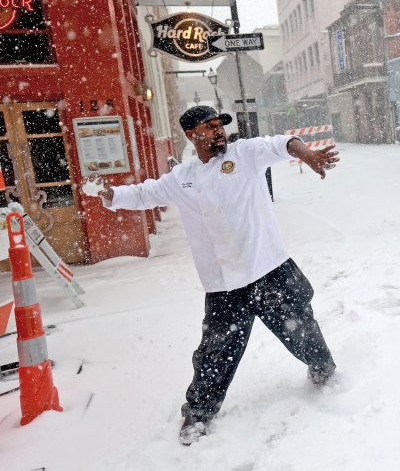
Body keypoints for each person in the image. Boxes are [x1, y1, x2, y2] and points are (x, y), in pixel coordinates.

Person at [84, 105, 339, 446]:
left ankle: (324, 371)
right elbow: (146, 193)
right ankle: (198, 413)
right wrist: (110, 195)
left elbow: (283, 143)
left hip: (268, 269)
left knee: (301, 327)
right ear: (192, 135)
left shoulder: (244, 154)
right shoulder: (182, 178)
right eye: (209, 126)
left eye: (220, 124)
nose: (218, 131)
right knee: (216, 352)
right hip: (223, 284)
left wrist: (307, 155)